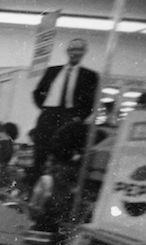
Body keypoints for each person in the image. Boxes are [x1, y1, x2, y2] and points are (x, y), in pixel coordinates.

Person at [29, 37, 99, 184]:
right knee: (40, 152)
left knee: (62, 156)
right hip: (49, 114)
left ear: (84, 52)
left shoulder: (90, 76)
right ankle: (34, 186)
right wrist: (44, 108)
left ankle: (57, 190)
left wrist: (78, 117)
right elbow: (37, 92)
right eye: (72, 49)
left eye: (79, 49)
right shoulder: (52, 71)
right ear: (67, 51)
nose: (75, 52)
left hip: (70, 116)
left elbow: (92, 102)